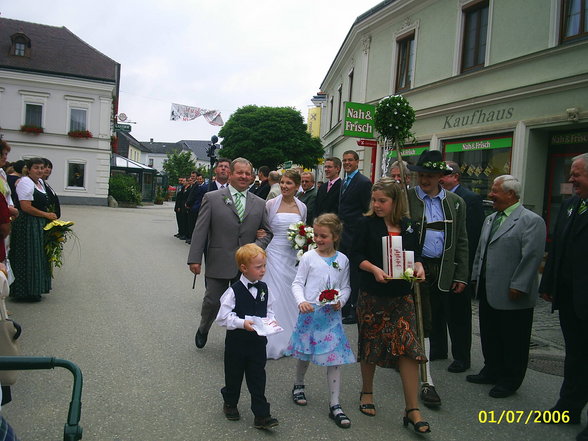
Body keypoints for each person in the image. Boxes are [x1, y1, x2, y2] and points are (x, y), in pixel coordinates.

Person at [352, 177, 430, 434]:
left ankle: (412, 409)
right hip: (373, 294)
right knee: (371, 343)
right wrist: (373, 269)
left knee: (409, 348)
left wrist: (419, 267)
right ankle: (367, 392)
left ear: (395, 202)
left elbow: (416, 255)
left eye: (382, 201)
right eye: (374, 200)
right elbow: (357, 255)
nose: (377, 205)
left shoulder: (408, 226)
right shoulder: (366, 223)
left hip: (401, 296)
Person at [468, 175, 545, 398]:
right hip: (488, 288)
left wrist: (519, 285)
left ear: (510, 194)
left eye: (495, 190)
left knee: (513, 338)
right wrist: (475, 276)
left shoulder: (531, 221)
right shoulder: (491, 219)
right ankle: (491, 369)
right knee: (490, 333)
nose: (490, 194)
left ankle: (510, 379)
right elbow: (481, 252)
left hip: (512, 292)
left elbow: (531, 256)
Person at [188, 158, 273, 349]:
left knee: (242, 304)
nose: (243, 176)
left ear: (252, 177)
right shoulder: (212, 198)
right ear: (231, 174)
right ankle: (204, 327)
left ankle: (235, 340)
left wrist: (255, 248)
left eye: (247, 173)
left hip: (246, 265)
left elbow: (267, 232)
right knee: (212, 301)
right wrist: (195, 259)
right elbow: (200, 230)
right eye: (239, 172)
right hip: (218, 259)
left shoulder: (259, 203)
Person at [406, 149, 468, 407]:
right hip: (412, 267)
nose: (425, 180)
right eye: (422, 174)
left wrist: (462, 275)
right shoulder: (407, 198)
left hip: (441, 269)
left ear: (441, 176)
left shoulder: (455, 203)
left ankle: (419, 368)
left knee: (427, 321)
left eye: (430, 175)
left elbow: (462, 240)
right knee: (420, 320)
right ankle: (426, 379)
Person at [286, 213, 355, 429]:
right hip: (310, 313)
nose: (318, 239)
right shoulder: (308, 257)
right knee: (305, 352)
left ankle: (335, 403)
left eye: (323, 236)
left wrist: (342, 300)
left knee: (334, 358)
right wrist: (301, 301)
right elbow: (297, 283)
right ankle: (298, 384)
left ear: (335, 236)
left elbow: (346, 286)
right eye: (316, 235)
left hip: (331, 317)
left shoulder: (342, 260)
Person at [539, 153, 588, 441]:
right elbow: (556, 249)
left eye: (577, 174)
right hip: (571, 299)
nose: (570, 179)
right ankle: (567, 408)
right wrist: (549, 284)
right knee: (576, 356)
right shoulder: (571, 205)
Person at [215, 243, 279, 430]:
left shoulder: (265, 289)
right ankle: (230, 402)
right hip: (237, 344)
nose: (263, 270)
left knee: (258, 378)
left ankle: (262, 415)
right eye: (258, 267)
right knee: (234, 376)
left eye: (264, 266)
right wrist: (241, 323)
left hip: (258, 343)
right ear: (244, 268)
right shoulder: (233, 291)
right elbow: (222, 318)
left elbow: (269, 310)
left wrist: (271, 322)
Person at [438, 160, 485, 373]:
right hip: (438, 267)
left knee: (458, 315)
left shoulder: (470, 199)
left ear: (456, 177)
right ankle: (438, 349)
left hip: (458, 266)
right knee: (439, 311)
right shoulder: (437, 197)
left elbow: (472, 238)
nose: (440, 178)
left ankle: (461, 357)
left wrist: (464, 273)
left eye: (445, 175)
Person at [263, 170, 307, 359]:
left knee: (291, 294)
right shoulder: (271, 204)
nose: (284, 186)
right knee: (274, 294)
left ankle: (291, 337)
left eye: (289, 183)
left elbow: (303, 229)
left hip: (292, 256)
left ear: (297, 186)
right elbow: (263, 227)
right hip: (273, 254)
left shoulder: (302, 207)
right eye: (282, 182)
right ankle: (272, 339)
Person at [9, 158, 57, 301]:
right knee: (27, 256)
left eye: (42, 168)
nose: (40, 171)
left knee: (38, 256)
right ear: (28, 169)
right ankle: (24, 292)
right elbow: (25, 207)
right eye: (36, 168)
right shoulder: (25, 182)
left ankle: (36, 289)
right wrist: (46, 215)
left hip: (37, 223)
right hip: (27, 224)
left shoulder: (40, 182)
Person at [338, 150, 372, 325]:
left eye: (350, 160)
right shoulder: (344, 182)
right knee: (344, 270)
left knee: (354, 274)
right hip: (343, 234)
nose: (347, 163)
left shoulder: (364, 182)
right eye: (344, 160)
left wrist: (360, 231)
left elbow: (366, 209)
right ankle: (345, 306)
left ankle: (354, 309)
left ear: (357, 162)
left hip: (354, 233)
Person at [185, 172, 205, 244]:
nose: (192, 177)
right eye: (191, 176)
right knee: (191, 223)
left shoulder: (197, 185)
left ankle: (192, 238)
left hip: (194, 207)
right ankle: (191, 237)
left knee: (193, 224)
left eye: (193, 176)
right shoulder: (194, 184)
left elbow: (194, 196)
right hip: (191, 206)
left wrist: (189, 203)